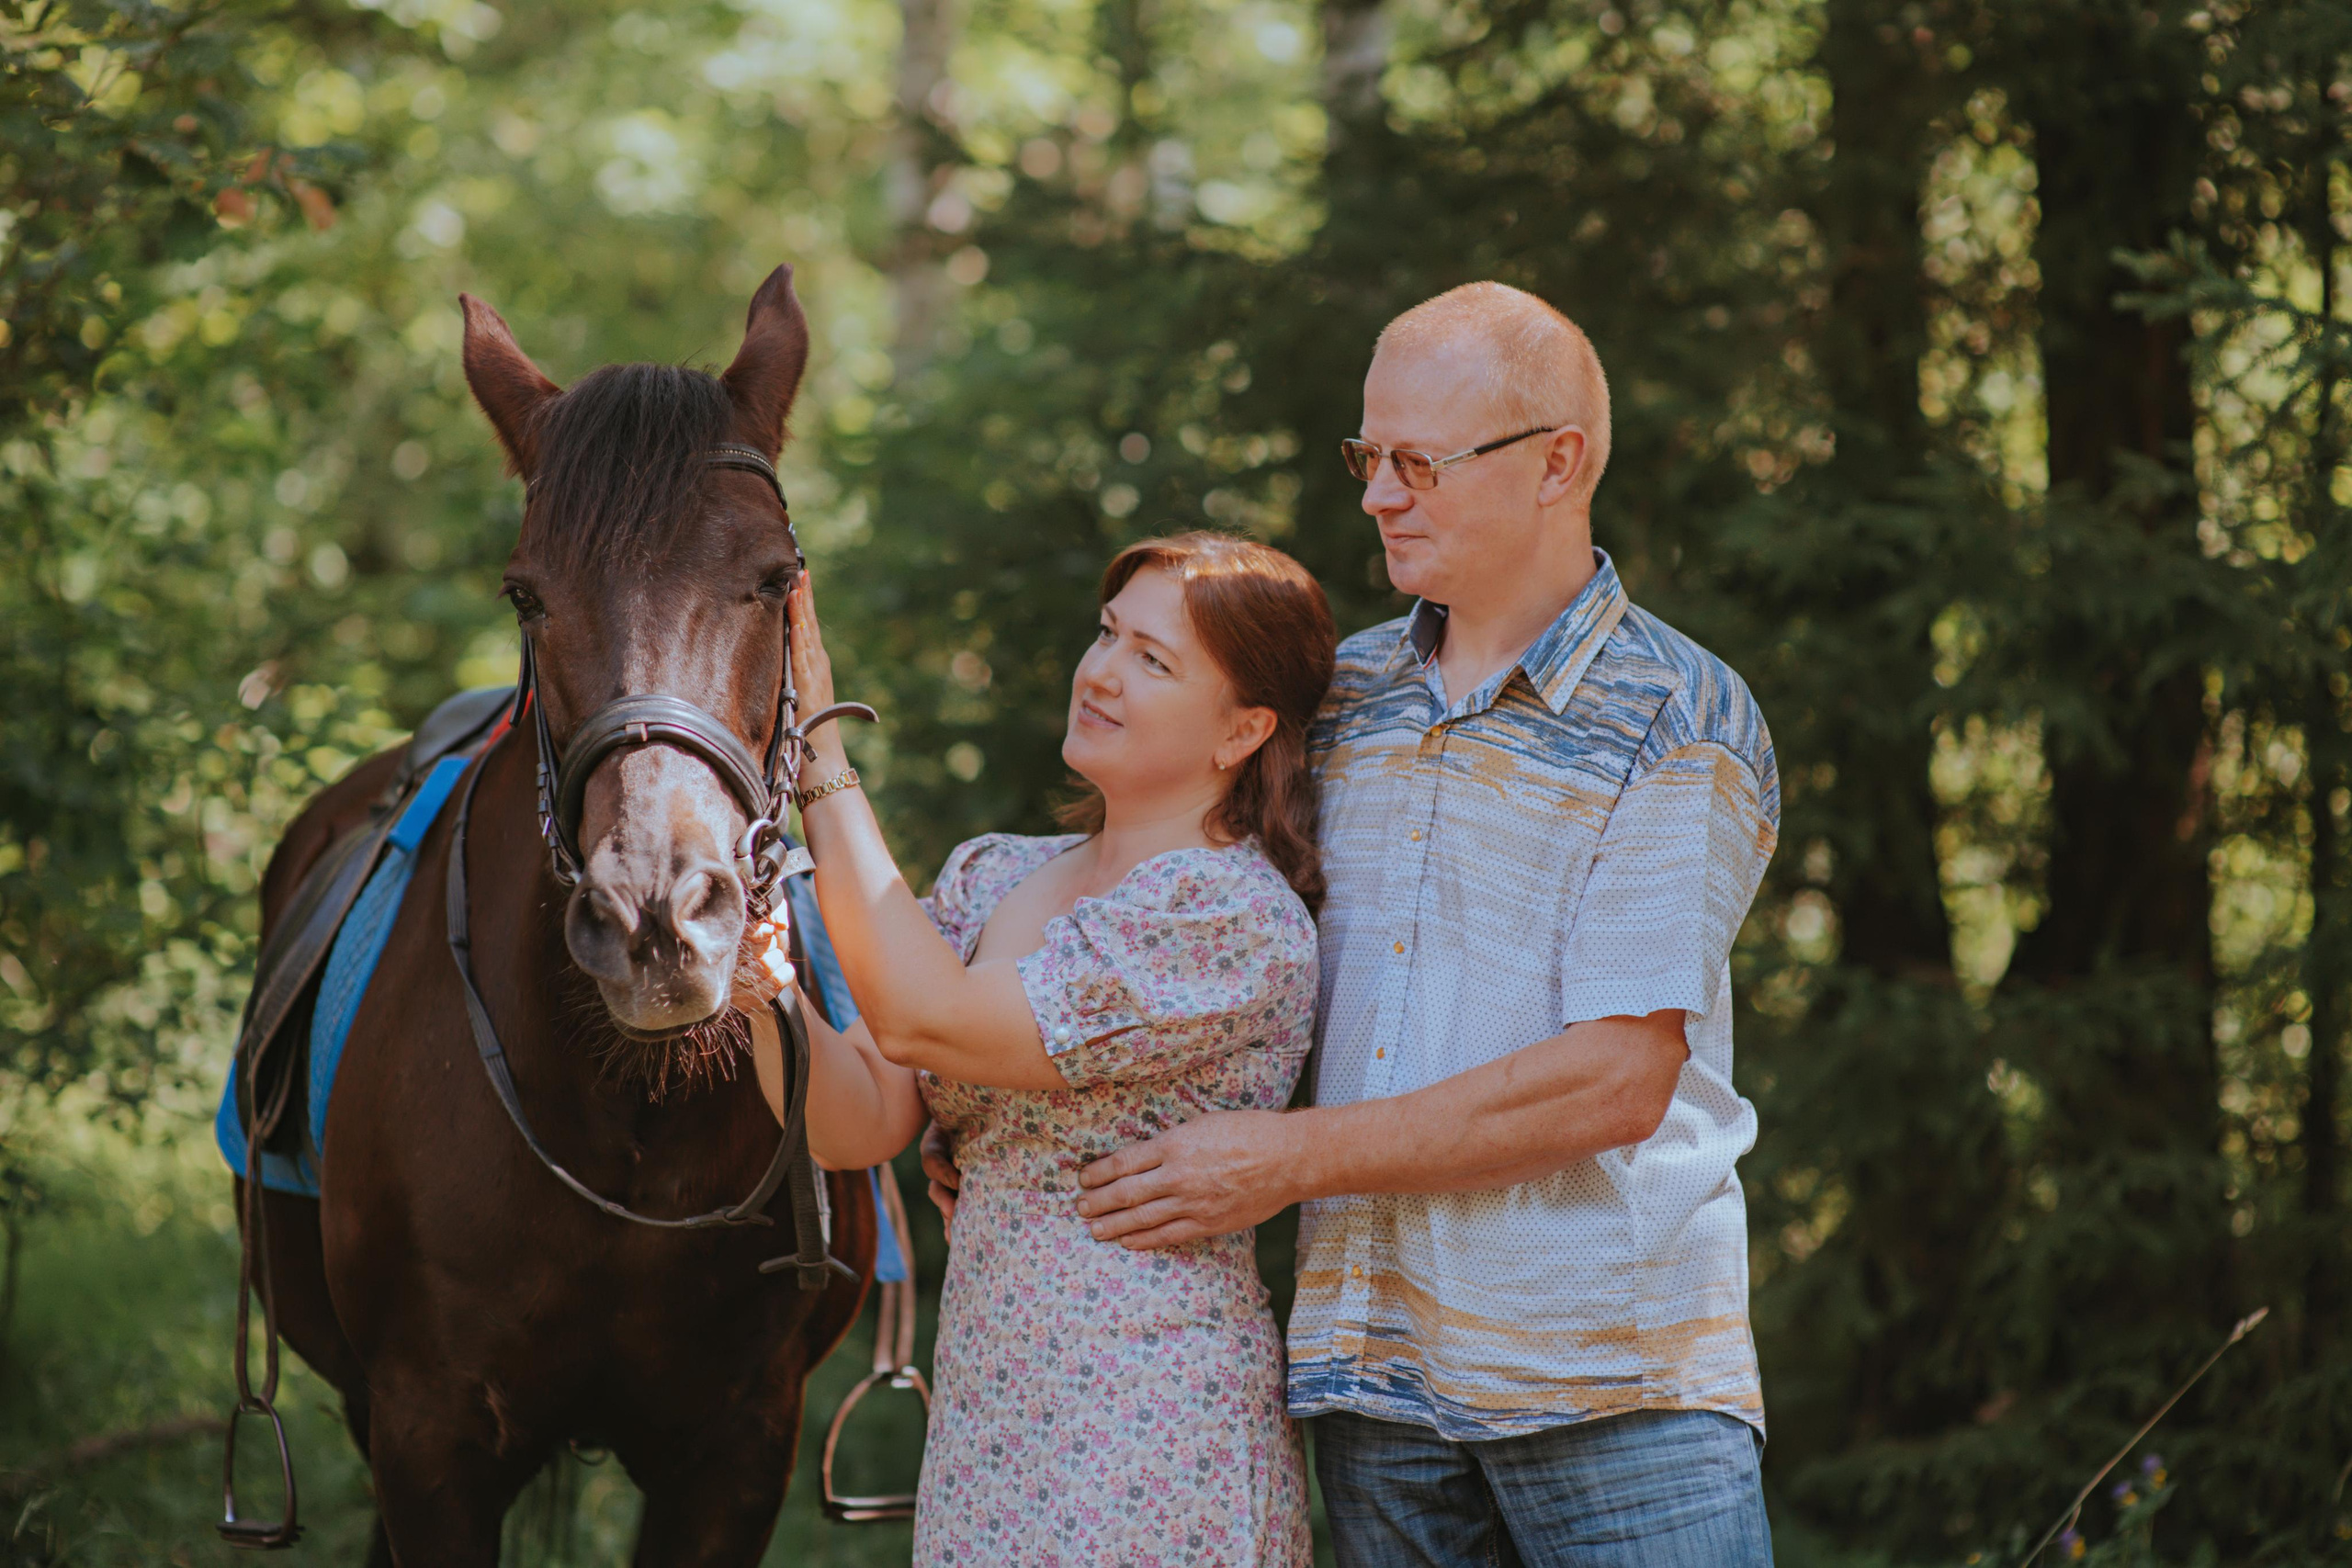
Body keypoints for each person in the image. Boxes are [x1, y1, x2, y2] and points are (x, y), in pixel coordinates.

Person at [936, 283, 1781, 1566]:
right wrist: (1007, 1121)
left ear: (1560, 461)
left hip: (1616, 1388)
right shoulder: (1338, 702)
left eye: (1418, 461)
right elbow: (1196, 937)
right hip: (1370, 1387)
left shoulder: (1678, 719)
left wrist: (1282, 1158)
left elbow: (1617, 1077)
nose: (1380, 493)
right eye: (1367, 456)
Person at [757, 533, 1337, 1567]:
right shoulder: (992, 874)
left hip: (1147, 1426)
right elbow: (854, 1120)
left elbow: (924, 1019)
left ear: (1243, 728)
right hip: (989, 1415)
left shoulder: (1224, 912)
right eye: (1108, 635)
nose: (1102, 672)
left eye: (1153, 660)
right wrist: (741, 959)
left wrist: (819, 756)